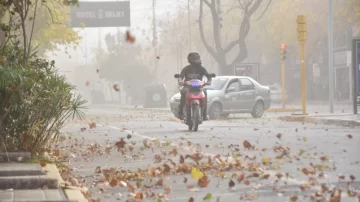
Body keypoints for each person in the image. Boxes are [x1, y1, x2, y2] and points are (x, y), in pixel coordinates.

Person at [177, 52, 212, 120]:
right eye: (194, 58)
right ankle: (180, 113)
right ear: (190, 59)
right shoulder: (186, 68)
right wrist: (180, 81)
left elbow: (208, 76)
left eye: (197, 58)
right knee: (184, 93)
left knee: (205, 93)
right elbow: (181, 76)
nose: (196, 60)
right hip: (188, 87)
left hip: (199, 87)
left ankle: (204, 114)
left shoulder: (202, 68)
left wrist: (209, 81)